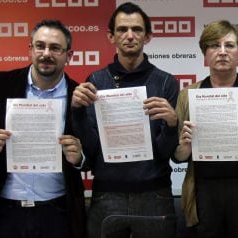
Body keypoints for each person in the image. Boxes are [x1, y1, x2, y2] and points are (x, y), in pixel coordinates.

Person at [0, 20, 86, 238]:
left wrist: (79, 157)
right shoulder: (2, 83)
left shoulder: (79, 95)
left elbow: (92, 148)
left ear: (69, 55)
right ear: (30, 49)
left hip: (57, 210)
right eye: (40, 46)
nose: (46, 53)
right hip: (5, 210)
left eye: (55, 48)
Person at [71, 2, 179, 238]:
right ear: (111, 36)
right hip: (107, 195)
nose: (130, 36)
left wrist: (172, 125)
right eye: (122, 29)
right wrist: (77, 111)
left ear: (147, 36)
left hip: (155, 194)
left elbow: (165, 153)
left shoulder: (166, 83)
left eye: (137, 30)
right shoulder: (96, 80)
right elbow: (91, 150)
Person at [173, 20, 238, 238]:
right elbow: (178, 156)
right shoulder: (188, 94)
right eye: (214, 45)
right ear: (205, 52)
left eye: (229, 46)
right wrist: (185, 146)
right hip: (203, 189)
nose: (222, 52)